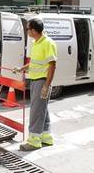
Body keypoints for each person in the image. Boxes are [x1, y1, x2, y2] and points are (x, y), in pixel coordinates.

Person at [13, 18, 57, 151]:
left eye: (27, 29)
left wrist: (46, 85)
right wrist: (23, 68)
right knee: (42, 110)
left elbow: (52, 65)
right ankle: (46, 137)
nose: (26, 31)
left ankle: (34, 142)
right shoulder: (36, 42)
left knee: (35, 112)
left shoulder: (48, 43)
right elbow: (35, 63)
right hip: (35, 80)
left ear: (33, 30)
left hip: (41, 81)